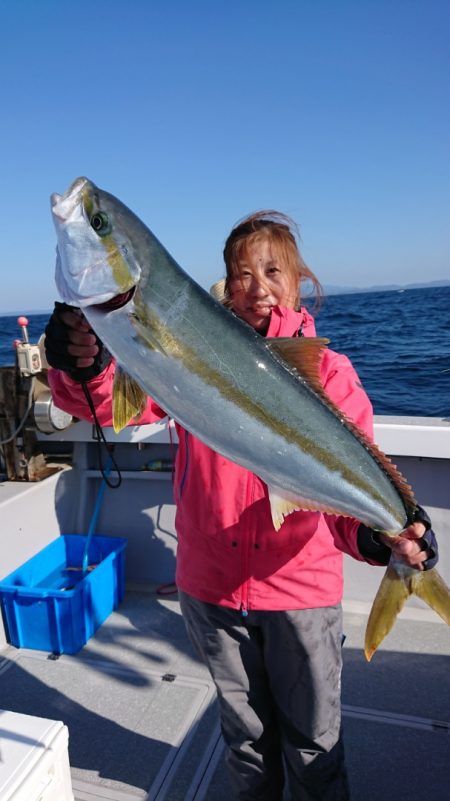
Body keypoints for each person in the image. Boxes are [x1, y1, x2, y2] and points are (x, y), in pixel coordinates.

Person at [44, 211, 438, 801]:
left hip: (299, 593)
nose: (256, 287)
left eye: (273, 271)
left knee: (314, 744)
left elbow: (340, 500)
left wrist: (388, 533)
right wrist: (84, 365)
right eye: (241, 274)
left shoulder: (329, 371)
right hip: (211, 590)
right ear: (225, 285)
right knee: (245, 740)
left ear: (300, 281)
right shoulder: (185, 347)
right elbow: (110, 405)